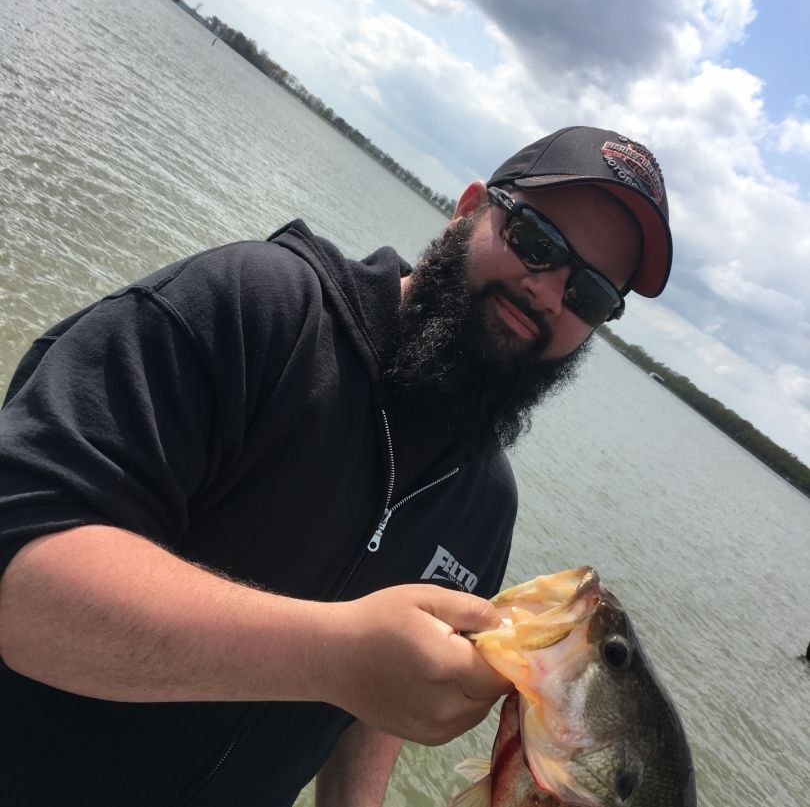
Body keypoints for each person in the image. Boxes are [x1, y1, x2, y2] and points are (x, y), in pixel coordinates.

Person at [0, 125, 672, 807]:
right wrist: (335, 655)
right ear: (468, 210)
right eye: (536, 241)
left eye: (589, 294)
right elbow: (18, 577)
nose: (549, 293)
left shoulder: (486, 506)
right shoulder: (258, 308)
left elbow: (371, 709)